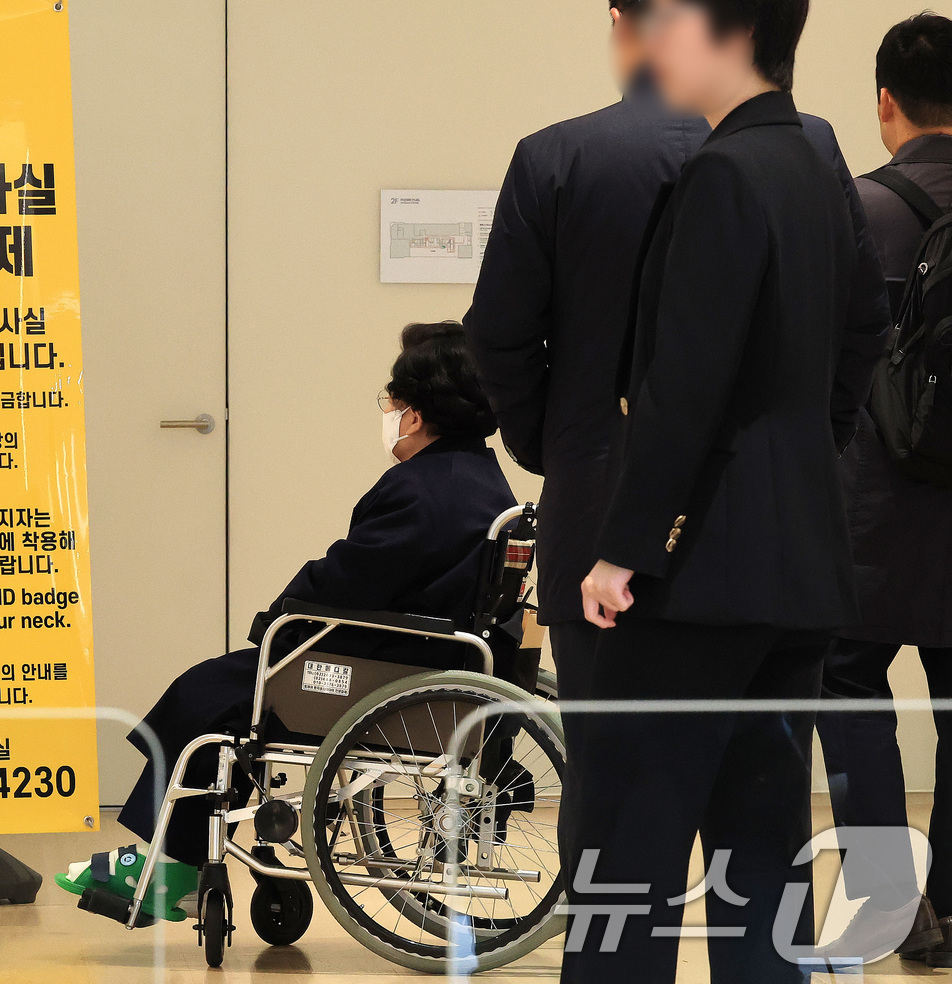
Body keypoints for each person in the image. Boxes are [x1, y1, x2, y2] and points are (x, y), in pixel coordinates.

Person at [464, 0, 887, 887]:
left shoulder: (556, 155)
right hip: (781, 535)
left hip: (611, 521)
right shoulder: (809, 147)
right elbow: (862, 321)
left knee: (616, 821)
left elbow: (500, 336)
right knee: (765, 835)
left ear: (627, 22)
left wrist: (557, 446)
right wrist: (811, 441)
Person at [53, 322, 518, 921]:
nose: (389, 413)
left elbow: (348, 581)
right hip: (418, 663)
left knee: (210, 698)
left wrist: (281, 615)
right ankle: (177, 860)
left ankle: (174, 869)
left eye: (393, 401)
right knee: (220, 685)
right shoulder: (480, 480)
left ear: (416, 414)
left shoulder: (423, 493)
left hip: (376, 674)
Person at [816, 12, 952, 966]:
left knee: (846, 677)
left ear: (884, 102)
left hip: (872, 501)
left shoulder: (855, 209)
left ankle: (891, 896)